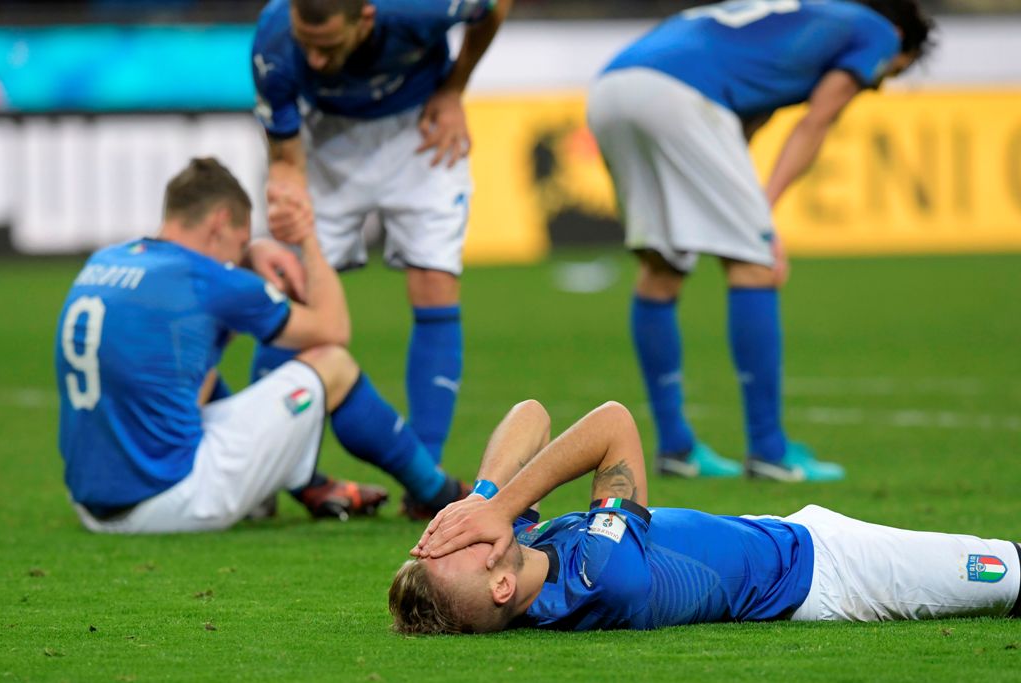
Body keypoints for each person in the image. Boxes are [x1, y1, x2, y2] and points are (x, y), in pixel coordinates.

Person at [585, 0, 934, 481]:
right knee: (757, 265)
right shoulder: (878, 31)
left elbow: (743, 124)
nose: (877, 82)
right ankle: (770, 450)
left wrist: (747, 210)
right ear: (901, 39)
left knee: (660, 267)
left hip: (611, 89)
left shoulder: (799, 25)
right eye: (892, 73)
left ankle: (676, 448)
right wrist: (762, 220)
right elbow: (817, 121)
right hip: (681, 97)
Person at [55, 158, 465, 533]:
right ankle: (436, 491)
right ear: (219, 222)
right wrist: (307, 241)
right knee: (333, 365)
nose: (239, 255)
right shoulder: (206, 280)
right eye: (240, 240)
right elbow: (333, 328)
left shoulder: (107, 261)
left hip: (91, 508)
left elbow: (187, 352)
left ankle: (305, 485)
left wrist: (248, 254)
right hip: (169, 500)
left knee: (187, 367)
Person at [391, 400, 1021, 633]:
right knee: (1008, 573)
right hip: (829, 576)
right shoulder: (599, 576)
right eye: (455, 553)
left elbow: (531, 413)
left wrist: (481, 496)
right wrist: (499, 506)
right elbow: (613, 424)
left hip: (782, 535)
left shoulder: (526, 555)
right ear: (500, 586)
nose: (454, 537)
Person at [249, 0, 511, 514]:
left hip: (422, 131)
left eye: (327, 46)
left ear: (365, 18)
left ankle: (426, 482)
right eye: (309, 46)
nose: (316, 60)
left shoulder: (420, 6)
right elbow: (283, 154)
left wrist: (454, 89)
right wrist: (285, 189)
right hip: (329, 138)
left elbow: (495, 6)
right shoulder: (275, 41)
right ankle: (260, 476)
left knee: (435, 280)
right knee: (295, 289)